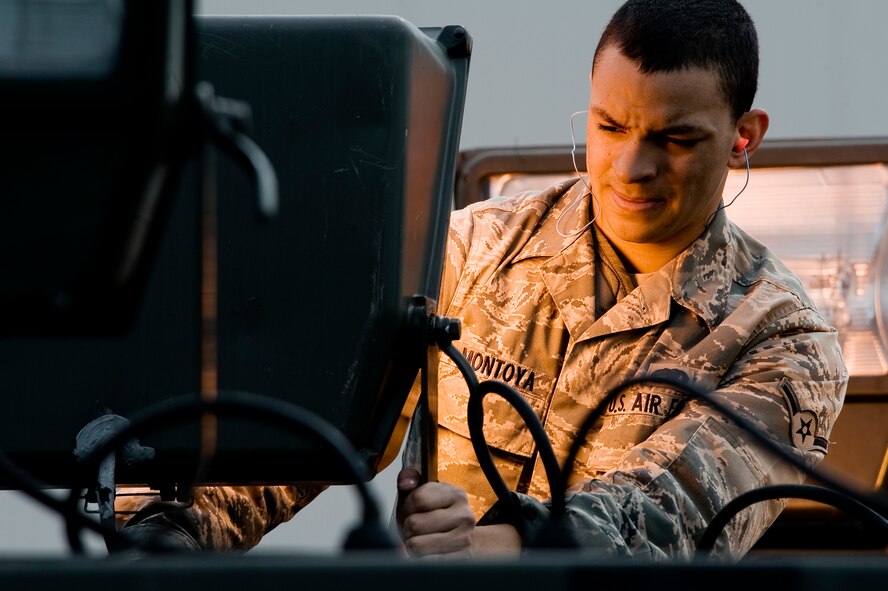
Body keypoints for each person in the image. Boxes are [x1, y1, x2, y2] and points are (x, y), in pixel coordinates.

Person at [119, 0, 846, 559]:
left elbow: (679, 510)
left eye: (675, 138)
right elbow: (307, 425)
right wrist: (168, 531)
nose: (631, 168)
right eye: (609, 126)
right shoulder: (470, 252)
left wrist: (500, 544)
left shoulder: (783, 341)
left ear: (745, 135)